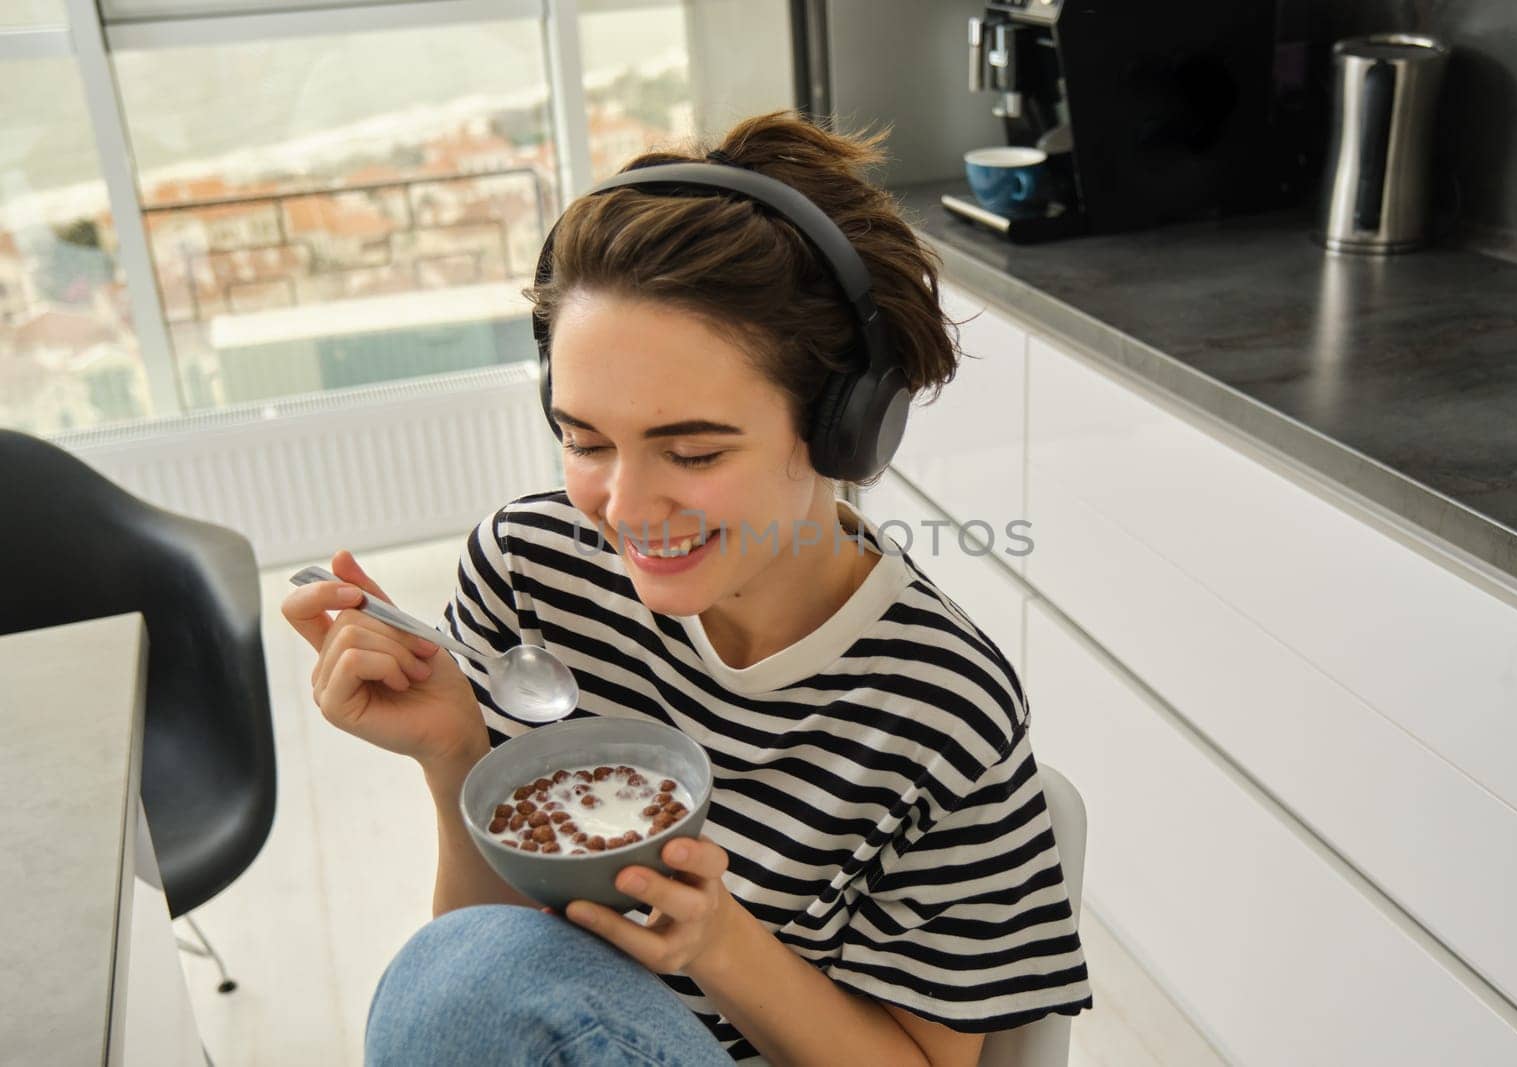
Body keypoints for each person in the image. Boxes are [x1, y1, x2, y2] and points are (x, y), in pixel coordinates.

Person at [281, 110, 1090, 1067]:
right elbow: (494, 986)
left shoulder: (938, 707)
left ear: (845, 429)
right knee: (460, 969)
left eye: (693, 449)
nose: (624, 505)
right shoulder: (530, 574)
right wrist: (457, 752)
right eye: (584, 441)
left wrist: (719, 940)